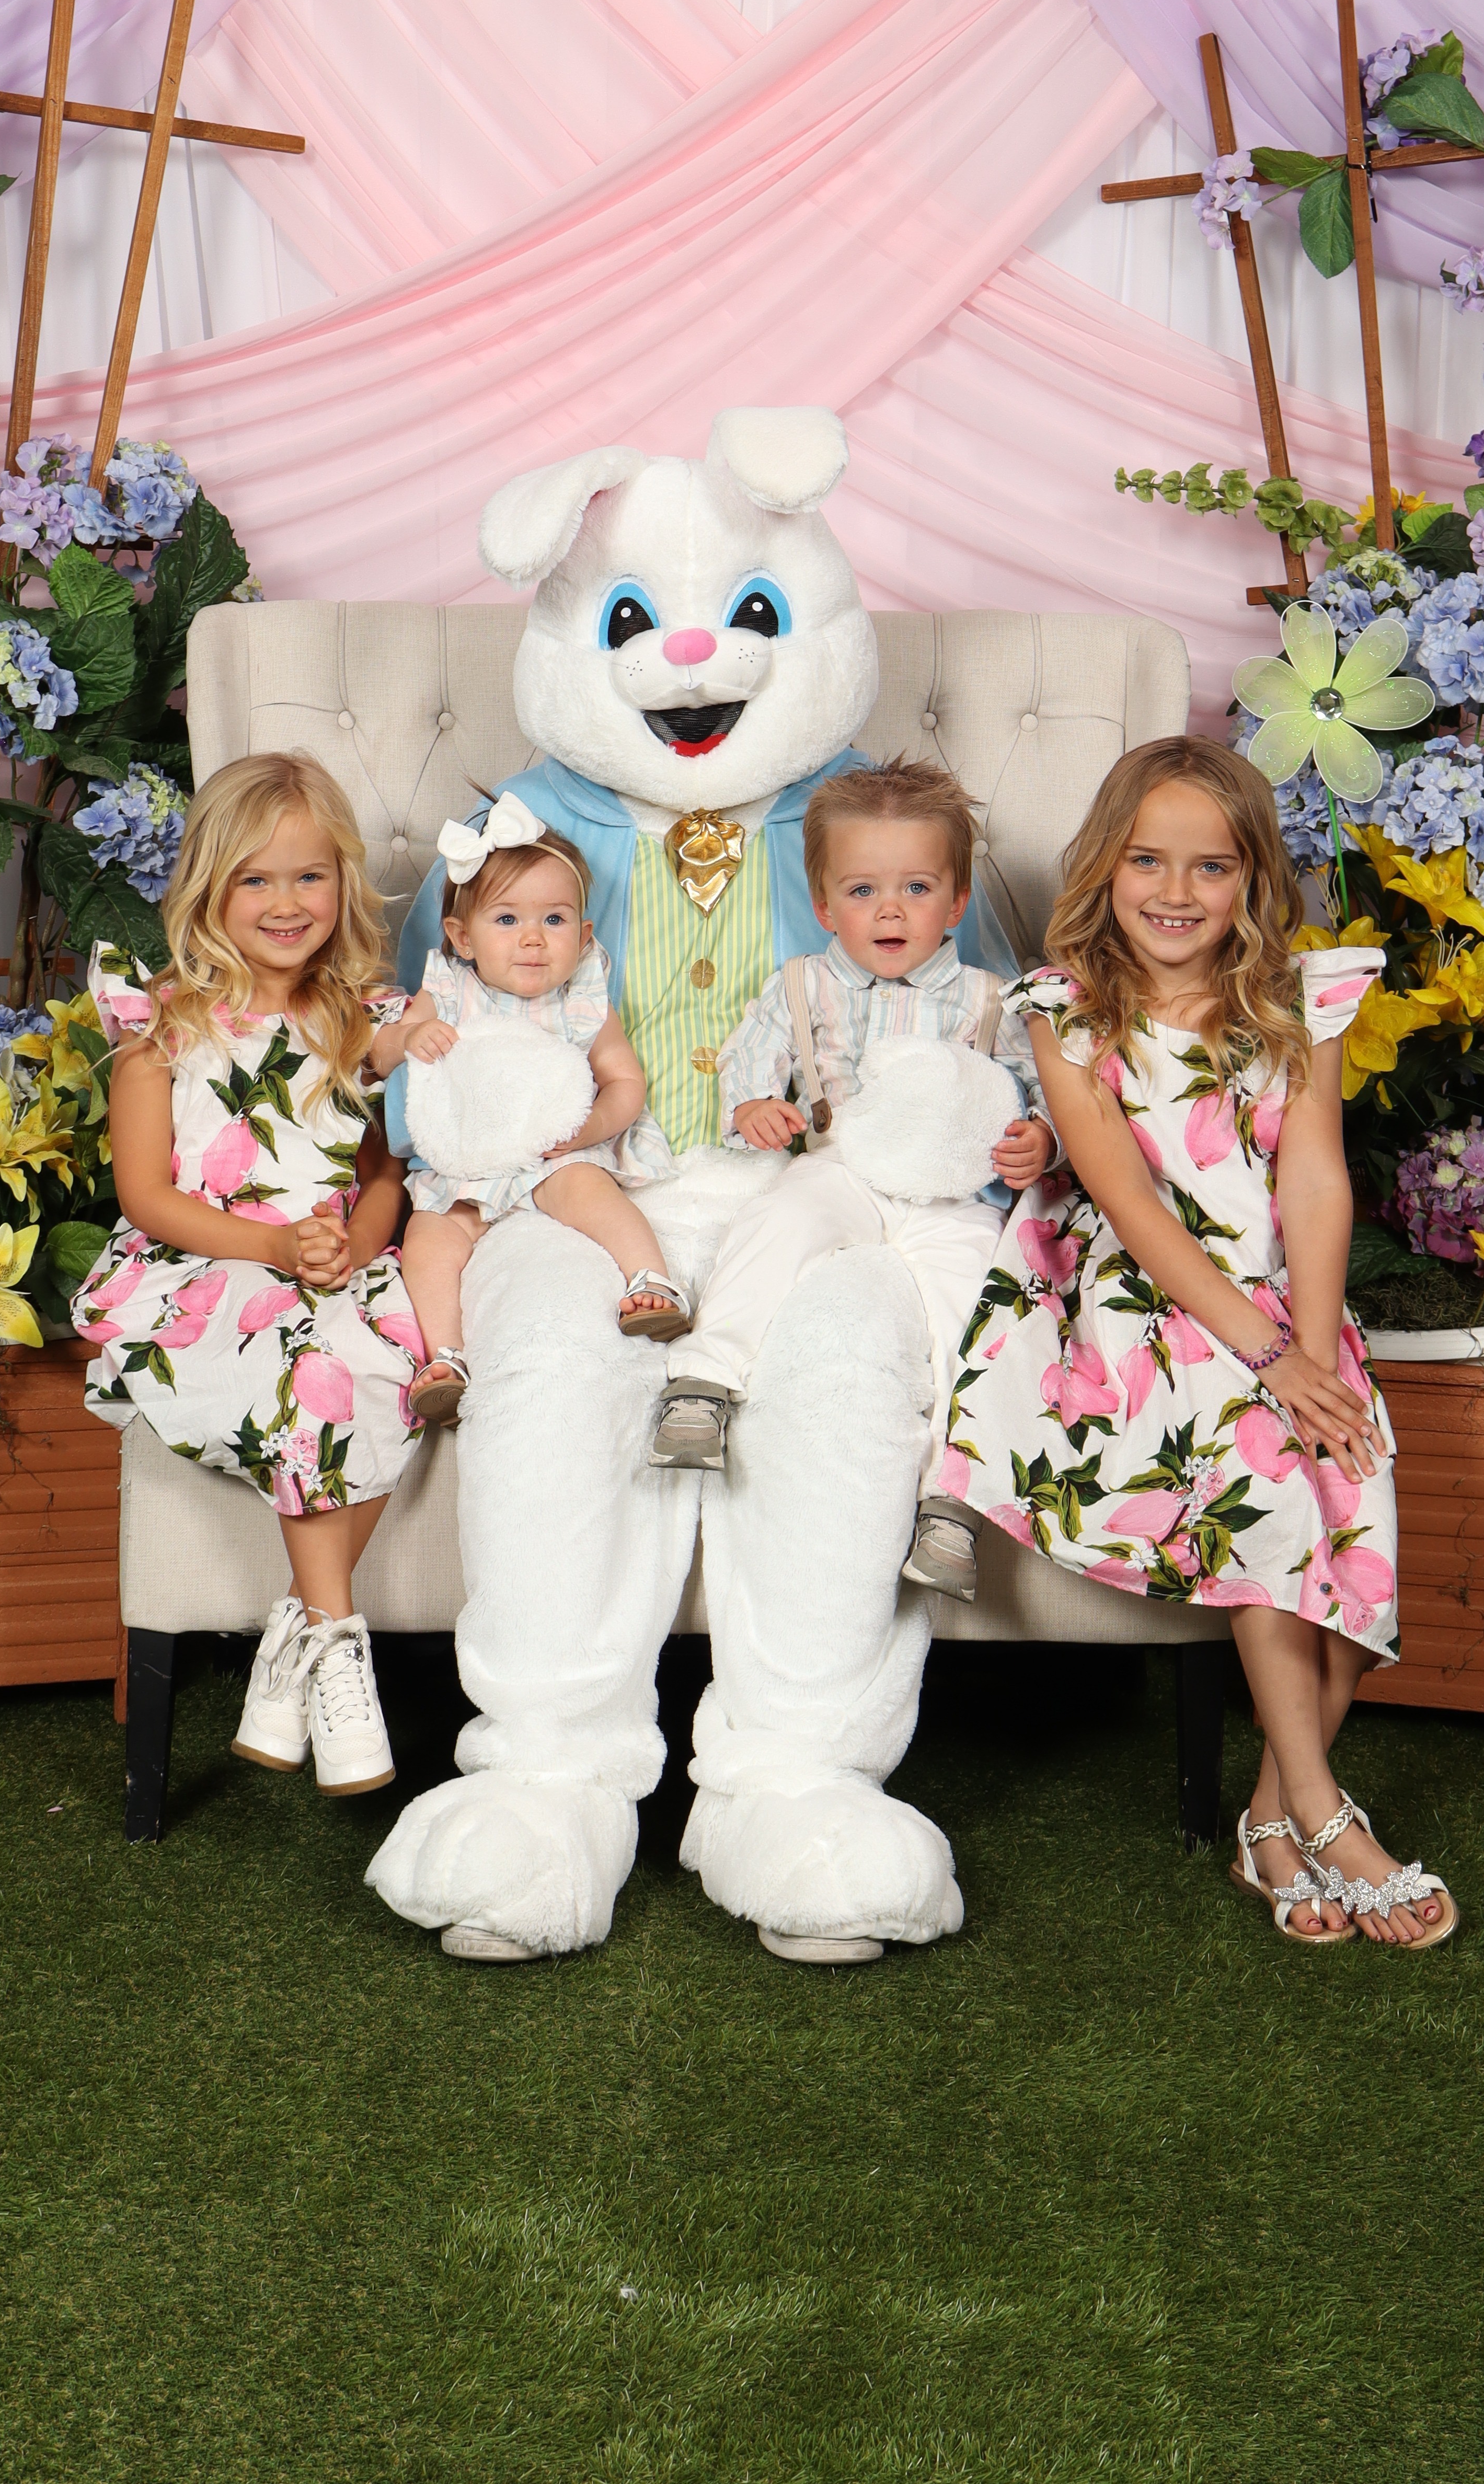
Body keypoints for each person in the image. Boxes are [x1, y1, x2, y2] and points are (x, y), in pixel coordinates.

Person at [941, 735, 1459, 1949]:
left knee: (1353, 1485)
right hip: (1139, 1299)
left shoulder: (1298, 1001)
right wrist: (1267, 1363)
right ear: (1105, 866)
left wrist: (1315, 1354)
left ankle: (1267, 1821)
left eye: (1210, 867)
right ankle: (1323, 1812)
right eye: (1148, 861)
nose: (1175, 892)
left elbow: (1313, 1180)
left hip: (1281, 1300)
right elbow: (1128, 1201)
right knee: (1268, 1473)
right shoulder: (1064, 1009)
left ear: (1251, 879)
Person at [75, 751, 424, 1799]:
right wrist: (274, 1249)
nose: (286, 903)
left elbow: (385, 1171)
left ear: (343, 884)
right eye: (255, 880)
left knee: (394, 1365)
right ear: (208, 889)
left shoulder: (372, 1019)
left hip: (338, 1261)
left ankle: (294, 1640)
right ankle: (338, 1646)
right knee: (307, 1367)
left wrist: (355, 1244)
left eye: (309, 876)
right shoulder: (165, 1026)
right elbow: (146, 1194)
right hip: (207, 1265)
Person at [649, 758, 1055, 1602]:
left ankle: (954, 1498)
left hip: (950, 1192)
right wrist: (755, 1108)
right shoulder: (803, 985)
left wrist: (1039, 1141)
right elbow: (749, 1063)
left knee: (974, 1308)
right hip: (842, 1166)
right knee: (779, 1222)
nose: (890, 910)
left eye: (916, 888)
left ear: (957, 902)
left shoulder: (992, 1001)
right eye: (863, 891)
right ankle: (705, 1382)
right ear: (826, 905)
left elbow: (1037, 1092)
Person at [369, 793, 689, 1426]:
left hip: (552, 1154)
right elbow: (378, 1057)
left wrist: (588, 1131)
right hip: (467, 1162)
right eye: (508, 919)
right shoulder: (447, 992)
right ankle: (446, 1357)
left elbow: (625, 1081)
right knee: (429, 1237)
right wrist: (408, 1038)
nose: (534, 939)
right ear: (462, 937)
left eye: (555, 920)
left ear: (584, 935)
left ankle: (651, 1280)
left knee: (590, 1193)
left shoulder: (580, 1000)